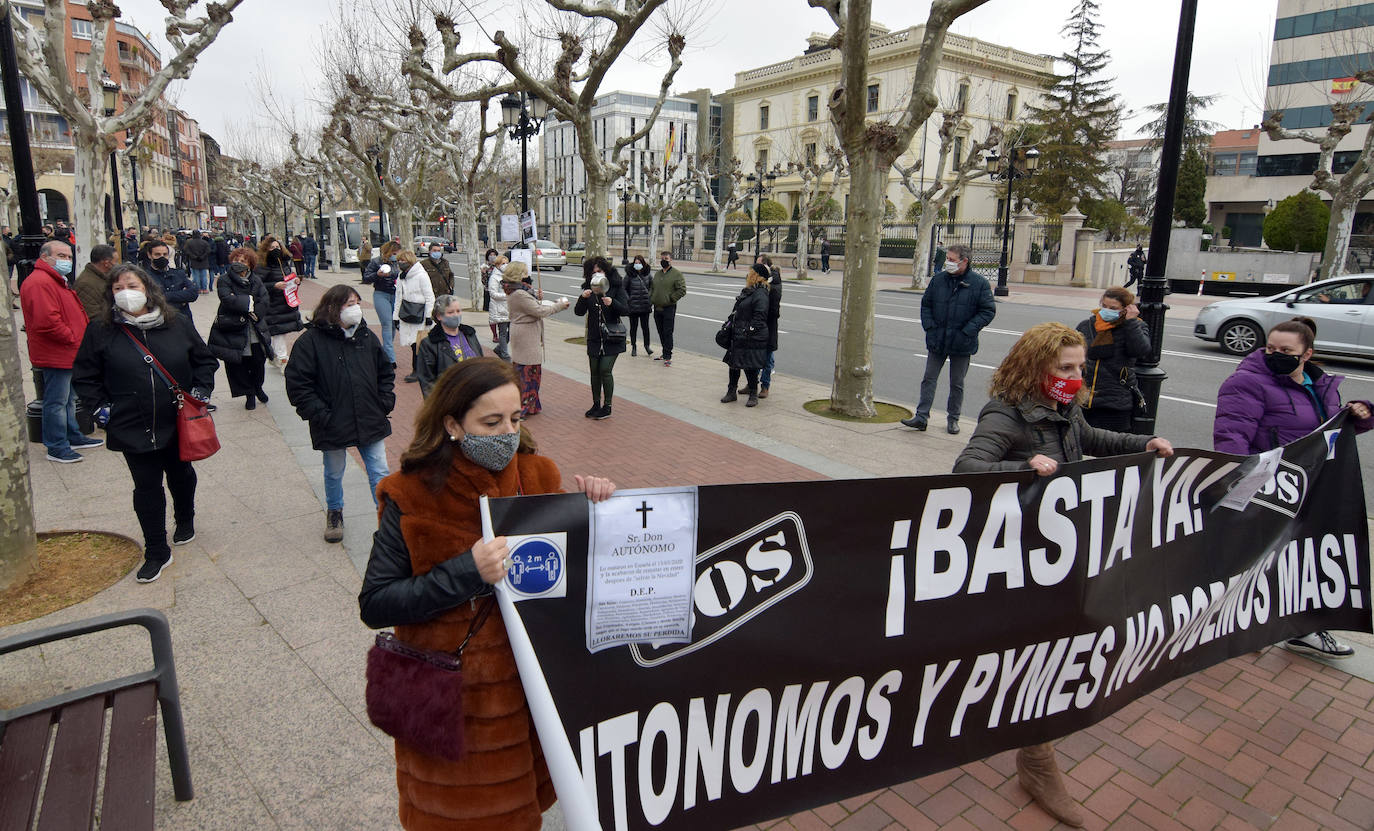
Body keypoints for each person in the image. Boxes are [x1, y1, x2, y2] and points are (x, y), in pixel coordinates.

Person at [358, 357, 615, 831]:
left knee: (520, 813)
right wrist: (466, 571)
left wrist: (597, 510)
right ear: (453, 424)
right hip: (449, 704)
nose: (507, 434)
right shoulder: (410, 494)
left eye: (515, 419)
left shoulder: (537, 477)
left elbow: (573, 572)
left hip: (526, 698)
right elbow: (376, 602)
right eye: (491, 422)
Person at [955, 321, 1175, 828]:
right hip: (1018, 562)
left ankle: (1025, 742)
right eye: (1065, 368)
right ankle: (1037, 761)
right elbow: (965, 467)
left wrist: (1143, 444)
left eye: (1079, 368)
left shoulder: (1063, 408)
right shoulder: (1005, 415)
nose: (1076, 378)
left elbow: (1090, 437)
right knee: (1039, 660)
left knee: (1046, 654)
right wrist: (1023, 468)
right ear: (1037, 367)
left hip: (1055, 559)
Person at [1213, 317, 1374, 659]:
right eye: (1271, 348)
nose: (1275, 355)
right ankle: (1224, 623)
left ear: (1307, 354)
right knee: (1253, 559)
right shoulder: (1248, 382)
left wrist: (1361, 414)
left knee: (1305, 560)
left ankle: (1304, 630)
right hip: (1271, 490)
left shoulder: (1320, 386)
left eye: (1286, 350)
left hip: (1310, 487)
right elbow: (1232, 434)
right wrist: (1244, 482)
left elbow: (1326, 434)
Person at [73, 265, 218, 581]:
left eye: (131, 284)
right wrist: (100, 409)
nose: (124, 290)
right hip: (130, 422)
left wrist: (200, 390)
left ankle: (185, 517)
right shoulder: (101, 329)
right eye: (117, 287)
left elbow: (204, 361)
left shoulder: (176, 323)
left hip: (176, 419)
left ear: (147, 288)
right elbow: (85, 376)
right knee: (146, 486)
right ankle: (156, 550)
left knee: (180, 474)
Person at [285, 284, 394, 544]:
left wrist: (385, 401)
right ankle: (335, 512)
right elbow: (298, 384)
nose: (356, 309)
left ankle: (389, 522)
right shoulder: (310, 341)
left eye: (357, 302)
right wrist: (320, 414)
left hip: (370, 416)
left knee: (379, 471)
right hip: (332, 421)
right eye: (349, 304)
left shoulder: (366, 337)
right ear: (333, 308)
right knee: (334, 471)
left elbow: (384, 372)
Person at [21, 240, 104, 463]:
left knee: (68, 399)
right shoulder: (40, 282)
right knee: (56, 401)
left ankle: (72, 435)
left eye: (68, 256)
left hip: (67, 351)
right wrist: (73, 338)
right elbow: (47, 322)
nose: (66, 260)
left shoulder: (54, 280)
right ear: (45, 256)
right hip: (57, 352)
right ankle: (56, 446)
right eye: (61, 255)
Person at [902, 243, 996, 435]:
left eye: (952, 260)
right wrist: (930, 327)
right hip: (938, 339)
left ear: (964, 261)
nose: (948, 263)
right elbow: (926, 304)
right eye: (948, 259)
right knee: (929, 378)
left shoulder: (979, 284)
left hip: (962, 342)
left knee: (957, 383)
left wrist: (968, 331)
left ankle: (953, 419)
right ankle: (921, 417)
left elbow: (987, 311)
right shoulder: (939, 280)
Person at [1074, 286, 1150, 431]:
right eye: (1104, 306)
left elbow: (1141, 351)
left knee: (1111, 448)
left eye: (1113, 308)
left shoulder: (1135, 326)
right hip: (1084, 399)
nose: (1106, 311)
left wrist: (1131, 322)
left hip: (1115, 402)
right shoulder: (1088, 325)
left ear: (1126, 308)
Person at [208, 247, 274, 410]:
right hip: (234, 327)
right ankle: (249, 393)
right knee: (240, 364)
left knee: (259, 361)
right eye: (236, 260)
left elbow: (264, 299)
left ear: (250, 264)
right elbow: (227, 299)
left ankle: (258, 386)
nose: (239, 263)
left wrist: (256, 312)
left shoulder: (256, 279)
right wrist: (249, 302)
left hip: (254, 328)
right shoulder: (224, 279)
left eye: (243, 260)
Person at [505, 261, 570, 415]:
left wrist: (537, 296)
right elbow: (539, 311)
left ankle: (532, 404)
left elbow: (533, 304)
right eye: (525, 272)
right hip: (526, 334)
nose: (528, 274)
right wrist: (559, 305)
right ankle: (523, 407)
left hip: (524, 332)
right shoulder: (519, 293)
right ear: (519, 274)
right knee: (528, 371)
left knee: (529, 370)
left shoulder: (517, 290)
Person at [574, 256, 629, 419]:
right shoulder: (589, 290)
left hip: (612, 337)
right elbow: (578, 312)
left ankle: (608, 405)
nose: (596, 275)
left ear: (606, 271)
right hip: (594, 337)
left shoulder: (615, 288)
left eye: (600, 271)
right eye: (593, 272)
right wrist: (583, 298)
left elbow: (626, 310)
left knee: (605, 369)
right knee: (594, 371)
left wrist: (612, 303)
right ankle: (596, 403)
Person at [721, 264, 772, 407]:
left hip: (751, 336)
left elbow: (760, 316)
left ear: (757, 275)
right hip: (739, 333)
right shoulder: (749, 291)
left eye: (751, 272)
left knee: (750, 366)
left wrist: (748, 331)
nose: (748, 275)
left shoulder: (761, 293)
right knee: (734, 364)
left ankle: (753, 395)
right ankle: (731, 392)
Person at [416, 294, 484, 397]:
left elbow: (482, 364)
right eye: (451, 312)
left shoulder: (470, 335)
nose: (456, 315)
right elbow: (427, 383)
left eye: (458, 311)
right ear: (439, 316)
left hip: (476, 397)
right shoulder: (430, 344)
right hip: (450, 401)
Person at [255, 236, 304, 366]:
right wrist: (274, 286)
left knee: (280, 332)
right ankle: (282, 359)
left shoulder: (284, 262)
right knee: (278, 332)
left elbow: (288, 277)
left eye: (277, 247)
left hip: (285, 303)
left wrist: (295, 282)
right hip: (272, 304)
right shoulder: (262, 265)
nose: (275, 250)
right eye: (272, 248)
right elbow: (256, 285)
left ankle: (275, 355)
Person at [394, 249, 436, 384]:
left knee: (419, 344)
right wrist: (395, 317)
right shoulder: (402, 276)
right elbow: (398, 297)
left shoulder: (421, 275)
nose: (400, 263)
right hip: (407, 313)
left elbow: (430, 297)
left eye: (403, 261)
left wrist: (429, 315)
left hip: (420, 314)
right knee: (413, 344)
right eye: (399, 260)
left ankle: (418, 370)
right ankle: (418, 370)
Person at [363, 241, 402, 366]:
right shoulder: (376, 262)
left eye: (397, 253)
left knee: (392, 325)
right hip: (381, 294)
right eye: (394, 253)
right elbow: (366, 277)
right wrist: (377, 275)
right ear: (388, 251)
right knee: (387, 323)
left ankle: (385, 352)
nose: (395, 255)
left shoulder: (400, 262)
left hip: (396, 295)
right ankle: (390, 358)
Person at [144, 240, 198, 319]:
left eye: (165, 254)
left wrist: (166, 296)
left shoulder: (179, 273)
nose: (162, 257)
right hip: (159, 321)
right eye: (157, 254)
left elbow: (193, 293)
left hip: (183, 320)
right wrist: (181, 299)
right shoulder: (144, 277)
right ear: (149, 255)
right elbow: (150, 300)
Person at [650, 249, 686, 367]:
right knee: (660, 331)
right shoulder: (658, 273)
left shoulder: (676, 274)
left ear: (671, 260)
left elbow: (682, 290)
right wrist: (651, 299)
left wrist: (671, 298)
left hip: (668, 308)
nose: (663, 261)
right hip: (657, 307)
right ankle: (664, 352)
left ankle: (668, 356)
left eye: (666, 259)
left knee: (668, 332)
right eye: (662, 259)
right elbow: (653, 288)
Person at [758, 256, 783, 398]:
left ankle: (765, 386)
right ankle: (751, 384)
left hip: (768, 325)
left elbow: (774, 310)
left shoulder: (773, 284)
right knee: (754, 355)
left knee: (767, 357)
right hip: (760, 324)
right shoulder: (763, 281)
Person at [74, 244, 117, 320]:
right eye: (115, 261)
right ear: (106, 263)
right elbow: (92, 315)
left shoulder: (101, 277)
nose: (116, 265)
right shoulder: (86, 284)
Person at [625, 253, 654, 357]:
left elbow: (652, 287)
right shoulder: (629, 275)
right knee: (634, 328)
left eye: (639, 262)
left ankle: (647, 346)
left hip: (645, 305)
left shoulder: (648, 274)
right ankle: (634, 347)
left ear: (643, 263)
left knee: (645, 327)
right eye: (636, 262)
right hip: (633, 306)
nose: (637, 264)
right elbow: (624, 289)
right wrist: (629, 299)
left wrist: (650, 299)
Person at [487, 254, 512, 360]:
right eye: (503, 263)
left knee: (512, 332)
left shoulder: (508, 276)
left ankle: (499, 348)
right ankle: (505, 354)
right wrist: (507, 296)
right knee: (502, 332)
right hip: (500, 309)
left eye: (507, 263)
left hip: (510, 308)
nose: (505, 265)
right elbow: (493, 294)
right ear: (497, 265)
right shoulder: (494, 277)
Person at [182, 229, 212, 294]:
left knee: (196, 276)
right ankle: (204, 289)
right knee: (204, 276)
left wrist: (194, 256)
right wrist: (202, 256)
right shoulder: (204, 242)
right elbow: (208, 251)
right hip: (203, 261)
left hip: (194, 261)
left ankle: (198, 289)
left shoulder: (189, 242)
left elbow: (186, 251)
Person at [480, 247, 499, 313]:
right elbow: (484, 282)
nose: (492, 257)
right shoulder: (484, 266)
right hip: (488, 291)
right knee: (489, 310)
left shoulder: (499, 266)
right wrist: (484, 273)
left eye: (494, 255)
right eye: (490, 255)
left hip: (497, 290)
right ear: (487, 257)